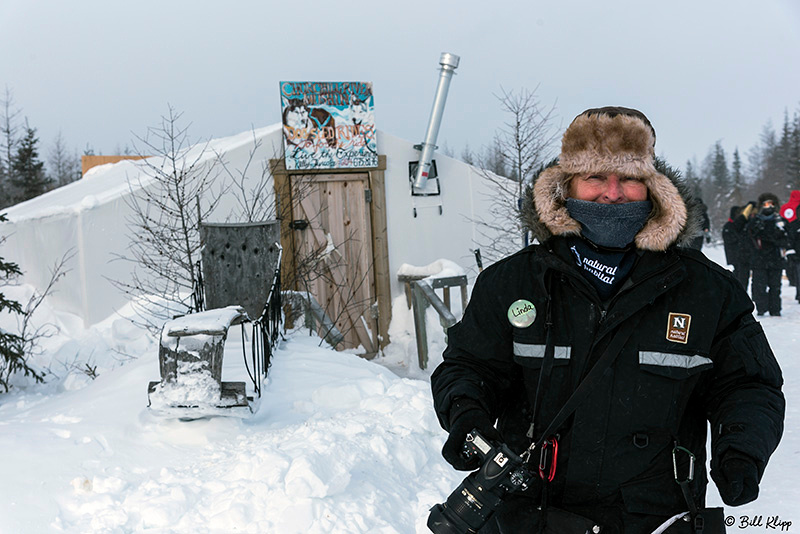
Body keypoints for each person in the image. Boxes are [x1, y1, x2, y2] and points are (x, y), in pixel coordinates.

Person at [431, 107, 784, 534]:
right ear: (567, 186)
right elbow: (468, 366)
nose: (612, 193)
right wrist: (468, 416)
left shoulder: (706, 288)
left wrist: (742, 449)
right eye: (595, 177)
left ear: (652, 187)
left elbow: (748, 383)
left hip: (657, 517)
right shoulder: (513, 282)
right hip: (531, 515)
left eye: (629, 178)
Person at [746, 193, 789, 316]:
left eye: (771, 204)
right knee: (760, 286)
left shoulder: (781, 222)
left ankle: (775, 309)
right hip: (759, 259)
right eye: (765, 204)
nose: (768, 207)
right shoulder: (754, 222)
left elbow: (787, 240)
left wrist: (775, 238)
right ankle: (761, 308)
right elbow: (748, 239)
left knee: (775, 286)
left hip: (775, 259)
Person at [721, 205, 750, 289]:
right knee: (740, 276)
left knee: (742, 276)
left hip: (741, 256)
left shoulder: (741, 225)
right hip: (735, 255)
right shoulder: (729, 226)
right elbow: (731, 239)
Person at [780, 190, 800, 302]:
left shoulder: (785, 207)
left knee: (791, 263)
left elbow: (782, 218)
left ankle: (792, 279)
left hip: (788, 234)